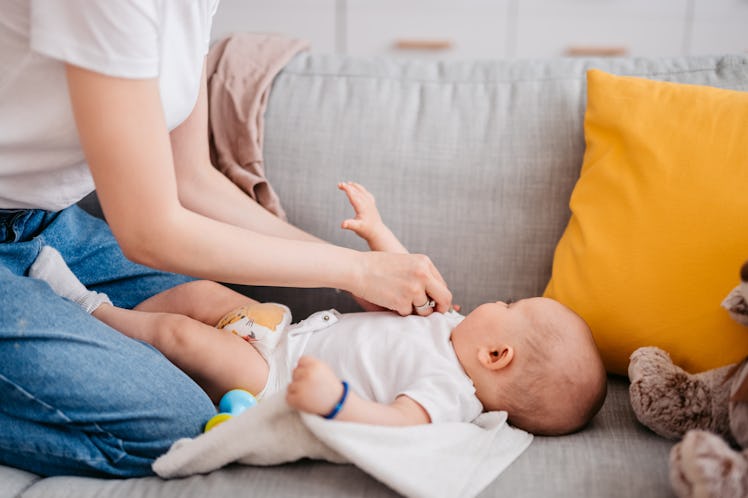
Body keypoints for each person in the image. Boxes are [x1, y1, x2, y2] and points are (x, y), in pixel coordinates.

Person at [0, 1, 452, 478]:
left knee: (194, 318)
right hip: (68, 228)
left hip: (43, 224)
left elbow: (189, 180)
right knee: (176, 426)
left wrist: (347, 270)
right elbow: (150, 232)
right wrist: (355, 268)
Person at [31, 182, 608, 436]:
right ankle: (131, 332)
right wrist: (378, 230)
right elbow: (397, 278)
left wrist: (338, 403)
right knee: (201, 295)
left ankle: (86, 307)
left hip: (269, 377)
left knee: (182, 336)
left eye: (508, 304)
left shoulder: (449, 393)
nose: (496, 299)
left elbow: (400, 423)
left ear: (497, 354)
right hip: (282, 329)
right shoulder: (452, 325)